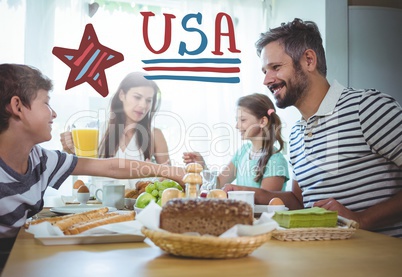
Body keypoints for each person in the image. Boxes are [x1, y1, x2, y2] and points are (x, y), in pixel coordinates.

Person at [222, 18, 402, 238]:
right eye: (264, 71)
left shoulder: (367, 107)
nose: (267, 80)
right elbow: (299, 202)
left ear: (309, 60)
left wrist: (361, 219)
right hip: (326, 257)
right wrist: (250, 192)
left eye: (276, 67)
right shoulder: (297, 134)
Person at [0, 64, 185, 247]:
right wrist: (71, 149)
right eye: (46, 103)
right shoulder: (96, 131)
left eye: (148, 100)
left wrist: (169, 171)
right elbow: (104, 166)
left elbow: (111, 166)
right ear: (17, 106)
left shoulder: (42, 160)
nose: (54, 113)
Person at [60, 72, 171, 188]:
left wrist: (155, 174)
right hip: (100, 203)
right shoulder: (96, 131)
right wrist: (68, 150)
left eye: (148, 100)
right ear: (122, 95)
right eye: (137, 97)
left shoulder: (155, 135)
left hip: (138, 204)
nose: (143, 105)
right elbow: (73, 167)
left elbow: (169, 180)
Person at [183, 93, 289, 196]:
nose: (237, 126)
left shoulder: (276, 160)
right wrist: (203, 165)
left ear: (262, 121)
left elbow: (266, 199)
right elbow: (218, 184)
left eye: (243, 120)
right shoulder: (243, 152)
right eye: (236, 120)